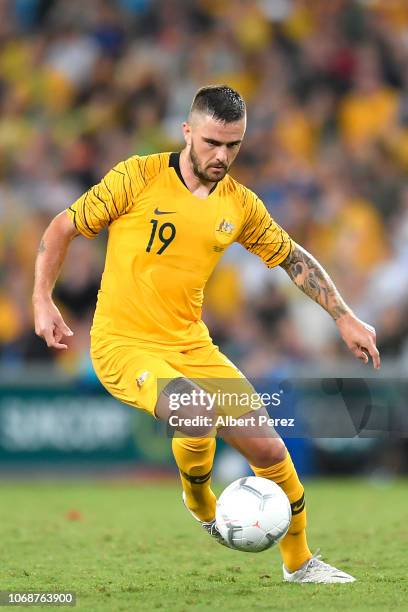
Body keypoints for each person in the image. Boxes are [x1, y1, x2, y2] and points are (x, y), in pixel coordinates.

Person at [33, 85, 380, 583]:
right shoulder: (137, 176)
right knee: (194, 409)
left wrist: (344, 316)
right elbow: (61, 228)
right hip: (123, 344)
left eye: (233, 145)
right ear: (188, 131)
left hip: (191, 344)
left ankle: (301, 564)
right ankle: (201, 504)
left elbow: (292, 257)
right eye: (212, 142)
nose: (222, 155)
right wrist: (42, 298)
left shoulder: (239, 204)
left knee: (269, 451)